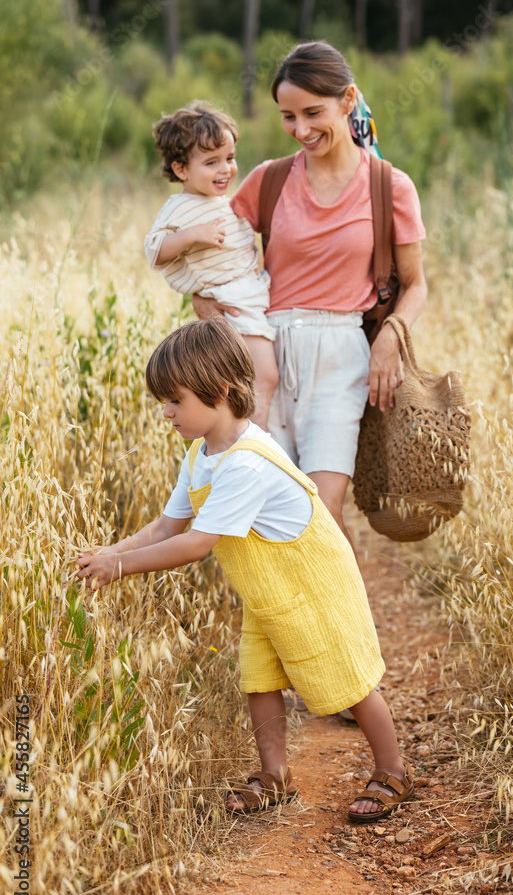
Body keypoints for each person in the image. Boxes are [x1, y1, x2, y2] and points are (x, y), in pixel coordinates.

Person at [75, 319, 415, 822]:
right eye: (163, 401)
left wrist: (118, 566)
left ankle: (392, 769)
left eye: (175, 400)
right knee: (260, 678)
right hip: (269, 586)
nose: (166, 412)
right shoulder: (201, 454)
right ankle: (275, 775)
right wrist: (108, 552)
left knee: (348, 677)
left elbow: (196, 543)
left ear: (220, 391)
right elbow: (166, 527)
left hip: (312, 582)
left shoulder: (246, 463)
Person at [191, 42, 427, 546]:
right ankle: (282, 604)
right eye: (288, 116)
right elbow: (212, 251)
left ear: (348, 100)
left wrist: (391, 336)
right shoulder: (269, 180)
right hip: (263, 352)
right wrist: (203, 301)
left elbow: (415, 283)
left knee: (322, 513)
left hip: (341, 356)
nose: (301, 130)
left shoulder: (389, 186)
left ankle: (347, 604)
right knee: (261, 514)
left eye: (313, 113)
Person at [145, 101, 279, 430]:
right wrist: (191, 235)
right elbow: (155, 250)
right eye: (211, 162)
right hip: (230, 301)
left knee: (249, 377)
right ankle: (253, 442)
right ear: (181, 170)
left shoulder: (225, 203)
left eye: (230, 158)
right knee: (263, 376)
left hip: (249, 295)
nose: (225, 169)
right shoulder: (180, 207)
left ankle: (245, 438)